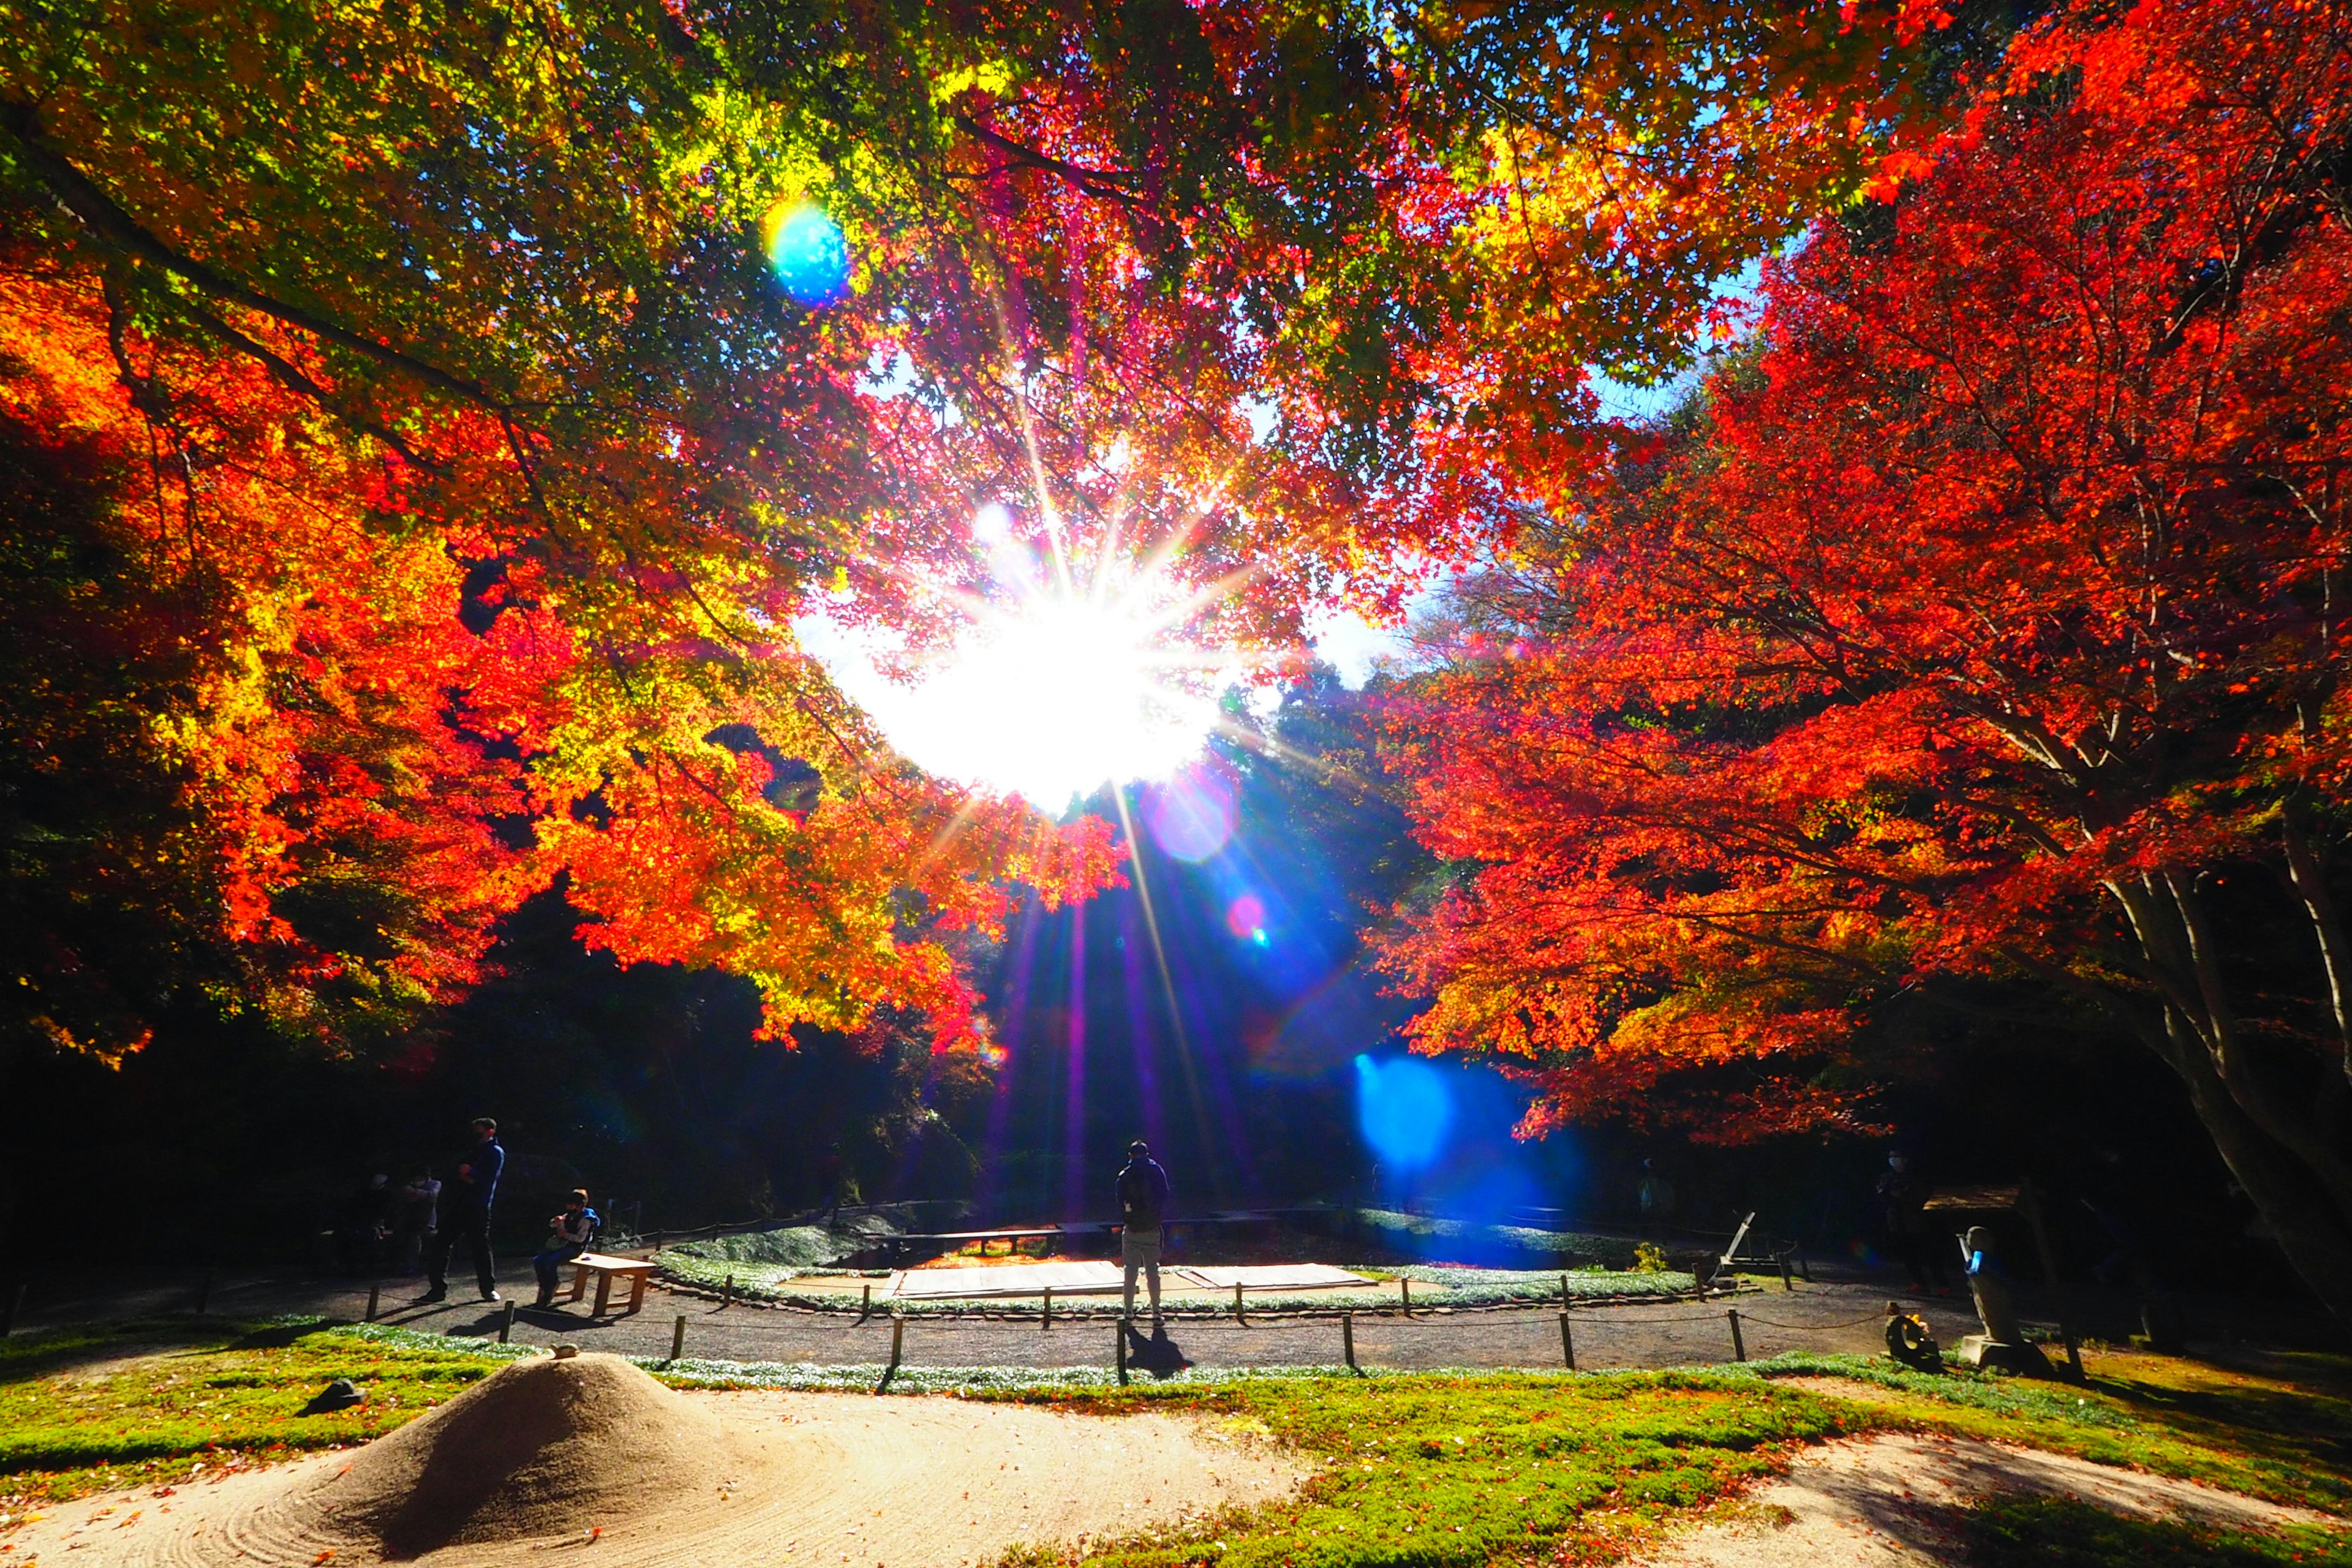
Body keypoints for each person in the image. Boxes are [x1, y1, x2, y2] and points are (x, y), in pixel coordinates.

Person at [421, 1117, 503, 1303]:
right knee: (441, 1244)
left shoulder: (494, 1152)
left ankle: (488, 1289)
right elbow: (457, 1174)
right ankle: (437, 1289)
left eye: (479, 1131)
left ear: (490, 1132)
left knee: (480, 1248)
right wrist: (465, 1174)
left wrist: (468, 1174)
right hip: (459, 1203)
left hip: (478, 1206)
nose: (475, 1135)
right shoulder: (471, 1151)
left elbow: (481, 1179)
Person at [1874, 1150, 1950, 1296]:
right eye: (1891, 1157)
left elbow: (1922, 1195)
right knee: (1908, 1254)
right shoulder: (1888, 1177)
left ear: (1905, 1160)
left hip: (1918, 1221)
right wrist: (1889, 1194)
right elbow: (1882, 1195)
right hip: (1897, 1221)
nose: (1894, 1160)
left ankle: (1942, 1285)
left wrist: (1904, 1194)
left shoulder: (1915, 1176)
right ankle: (1919, 1282)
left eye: (1897, 1157)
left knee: (1929, 1254)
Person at [1115, 1139, 1170, 1324]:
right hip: (1152, 1228)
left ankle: (1129, 1311)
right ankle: (1156, 1312)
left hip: (1132, 1229)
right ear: (1147, 1154)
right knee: (1152, 1271)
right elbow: (1165, 1196)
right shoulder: (1157, 1171)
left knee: (1130, 1271)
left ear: (1130, 1155)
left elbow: (1119, 1201)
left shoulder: (1125, 1174)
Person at [533, 1189, 600, 1307]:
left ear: (579, 1205)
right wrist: (556, 1221)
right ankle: (546, 1287)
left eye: (571, 1204)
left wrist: (565, 1235)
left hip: (575, 1248)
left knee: (551, 1261)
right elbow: (553, 1224)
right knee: (538, 1260)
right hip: (561, 1245)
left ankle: (553, 1284)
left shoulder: (586, 1219)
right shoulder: (569, 1215)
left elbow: (581, 1239)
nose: (568, 1207)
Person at [391, 1167, 440, 1276]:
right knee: (398, 1236)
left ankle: (412, 1267)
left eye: (420, 1178)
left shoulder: (435, 1184)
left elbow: (432, 1195)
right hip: (410, 1221)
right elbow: (407, 1199)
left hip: (427, 1222)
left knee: (415, 1238)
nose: (417, 1180)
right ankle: (395, 1266)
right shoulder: (409, 1185)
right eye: (415, 1178)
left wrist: (415, 1192)